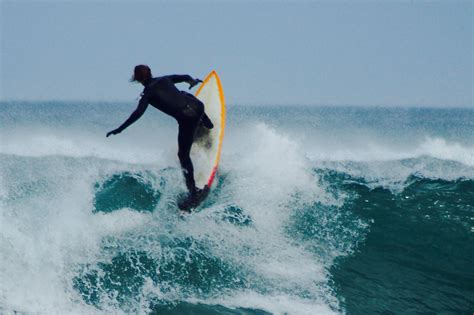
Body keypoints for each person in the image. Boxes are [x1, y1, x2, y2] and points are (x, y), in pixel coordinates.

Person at [107, 65, 213, 199]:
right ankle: (207, 123)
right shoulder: (164, 79)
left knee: (183, 155)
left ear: (136, 78)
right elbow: (185, 77)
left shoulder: (148, 93)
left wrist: (120, 129)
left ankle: (193, 192)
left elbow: (138, 113)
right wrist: (193, 81)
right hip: (198, 107)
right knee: (185, 94)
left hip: (187, 118)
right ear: (150, 73)